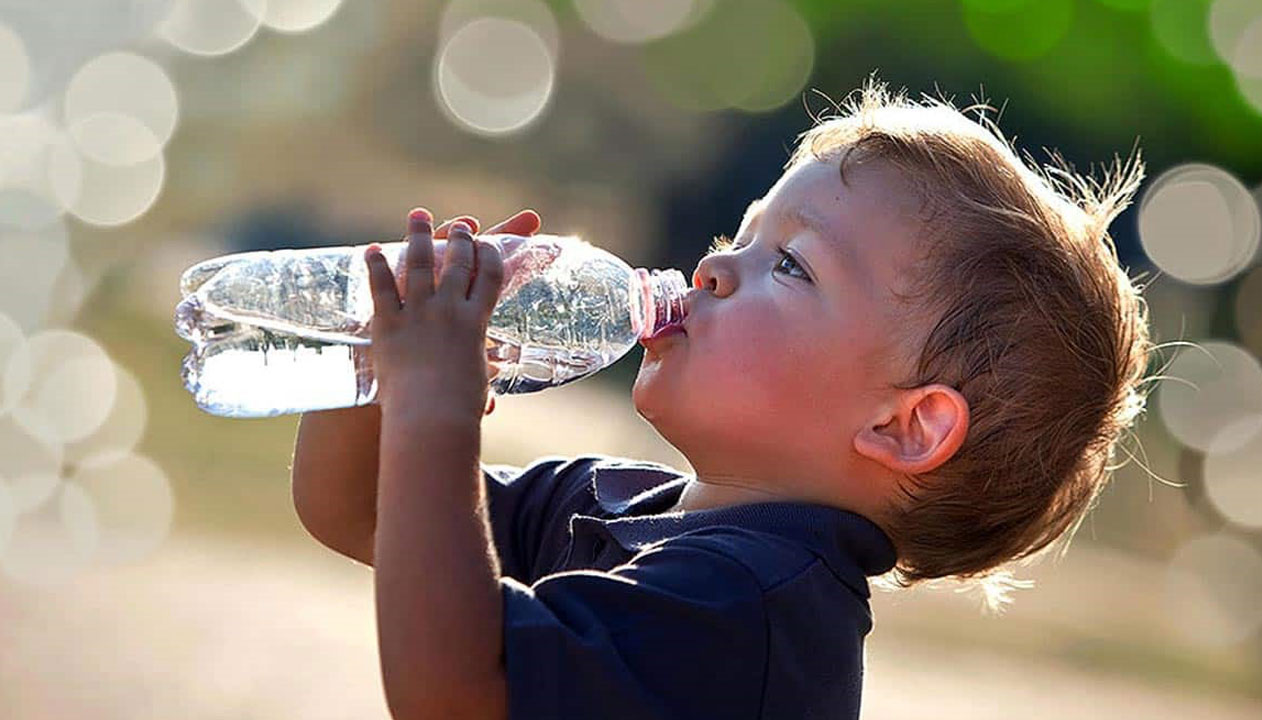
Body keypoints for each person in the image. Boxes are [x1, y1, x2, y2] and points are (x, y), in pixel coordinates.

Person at [290, 78, 1153, 719]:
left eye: (789, 264)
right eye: (738, 235)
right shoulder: (615, 501)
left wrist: (435, 412)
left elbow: (453, 693)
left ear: (904, 424)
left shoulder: (754, 607)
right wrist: (378, 362)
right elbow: (358, 507)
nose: (710, 268)